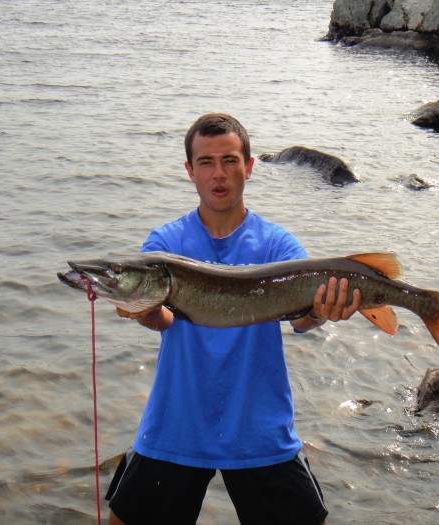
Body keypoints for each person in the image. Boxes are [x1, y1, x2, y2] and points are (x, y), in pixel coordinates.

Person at [106, 113, 361, 525]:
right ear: (190, 171)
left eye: (229, 160)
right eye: (206, 162)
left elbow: (301, 321)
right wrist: (144, 311)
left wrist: (323, 311)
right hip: (176, 424)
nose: (218, 173)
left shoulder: (279, 245)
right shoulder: (164, 245)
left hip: (259, 428)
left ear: (249, 166)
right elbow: (164, 320)